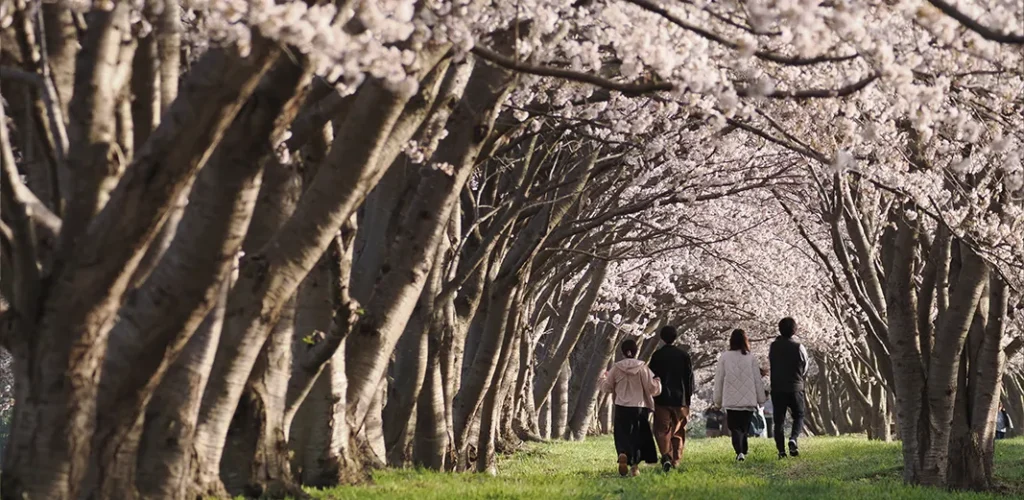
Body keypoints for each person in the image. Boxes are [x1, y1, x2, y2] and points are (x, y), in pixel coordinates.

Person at [600, 339, 662, 477]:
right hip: (639, 407)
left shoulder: (616, 368)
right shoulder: (642, 368)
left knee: (622, 435)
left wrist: (603, 378)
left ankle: (622, 453)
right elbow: (652, 389)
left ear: (622, 352)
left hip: (621, 406)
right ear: (636, 351)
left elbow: (607, 387)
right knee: (637, 437)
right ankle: (634, 467)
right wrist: (658, 382)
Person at [713, 329, 767, 462]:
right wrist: (761, 399)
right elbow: (757, 381)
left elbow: (719, 380)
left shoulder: (725, 357)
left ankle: (740, 452)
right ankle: (743, 451)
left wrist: (717, 401)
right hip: (748, 401)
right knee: (744, 427)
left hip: (731, 400)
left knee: (734, 427)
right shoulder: (750, 357)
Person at [648, 325, 695, 472]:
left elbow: (652, 377)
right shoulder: (684, 356)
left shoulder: (657, 355)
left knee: (661, 429)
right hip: (680, 399)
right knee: (679, 430)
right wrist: (688, 397)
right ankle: (676, 459)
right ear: (675, 337)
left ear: (662, 338)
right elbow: (689, 379)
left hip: (661, 399)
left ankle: (665, 455)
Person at [769, 317, 809, 458]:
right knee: (799, 415)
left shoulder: (773, 346)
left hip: (778, 388)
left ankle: (781, 451)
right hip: (795, 387)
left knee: (778, 421)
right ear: (794, 330)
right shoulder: (799, 347)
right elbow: (805, 366)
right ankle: (793, 438)